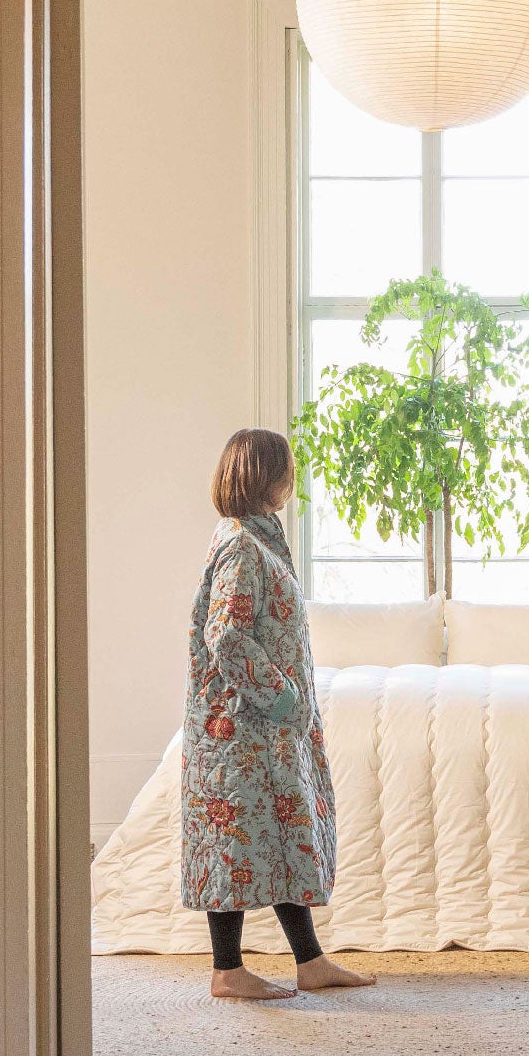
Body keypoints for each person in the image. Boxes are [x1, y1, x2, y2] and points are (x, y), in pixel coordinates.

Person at [181, 427, 369, 1001]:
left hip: (266, 727)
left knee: (281, 836)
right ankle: (227, 970)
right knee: (236, 840)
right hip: (242, 727)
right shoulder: (242, 545)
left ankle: (310, 962)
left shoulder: (254, 540)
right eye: (287, 470)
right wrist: (281, 693)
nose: (293, 479)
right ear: (266, 477)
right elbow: (227, 635)